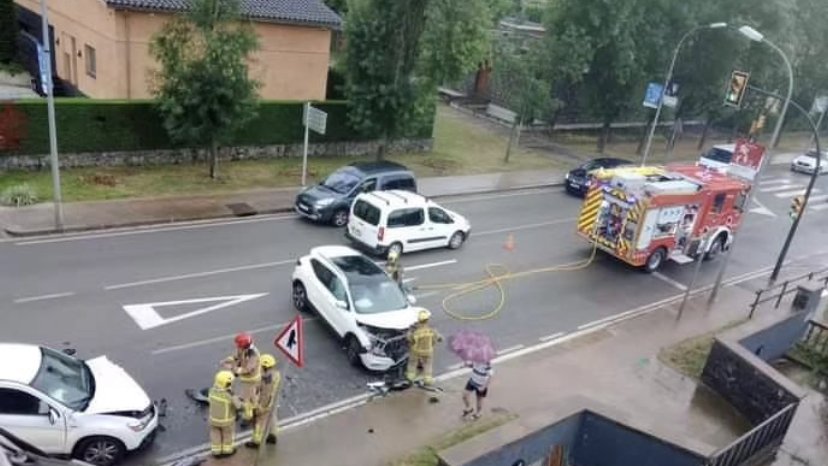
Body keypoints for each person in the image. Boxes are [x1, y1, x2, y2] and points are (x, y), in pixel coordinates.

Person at [222, 332, 261, 422]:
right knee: (252, 397)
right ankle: (256, 408)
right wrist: (228, 360)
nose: (237, 347)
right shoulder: (242, 349)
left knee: (247, 400)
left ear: (244, 345)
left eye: (238, 345)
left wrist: (232, 368)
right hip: (246, 379)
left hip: (252, 380)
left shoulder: (253, 355)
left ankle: (248, 417)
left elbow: (247, 369)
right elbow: (237, 357)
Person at [245, 354, 282, 448]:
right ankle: (272, 434)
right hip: (274, 400)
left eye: (260, 365)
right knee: (272, 416)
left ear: (265, 367)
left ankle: (256, 441)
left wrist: (260, 407)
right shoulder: (276, 374)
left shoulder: (266, 379)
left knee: (259, 422)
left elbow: (265, 394)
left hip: (265, 403)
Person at [208, 370, 242, 458]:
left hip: (213, 420)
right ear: (227, 384)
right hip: (226, 421)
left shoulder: (212, 391)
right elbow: (238, 406)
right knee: (227, 435)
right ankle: (227, 450)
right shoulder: (229, 395)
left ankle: (216, 451)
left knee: (215, 434)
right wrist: (236, 397)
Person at [406, 309, 442, 386]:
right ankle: (427, 380)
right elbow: (438, 338)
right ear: (427, 320)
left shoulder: (415, 330)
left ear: (418, 319)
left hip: (416, 351)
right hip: (428, 351)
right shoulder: (431, 330)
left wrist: (410, 332)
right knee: (427, 365)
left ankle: (410, 377)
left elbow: (409, 339)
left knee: (412, 364)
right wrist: (438, 339)